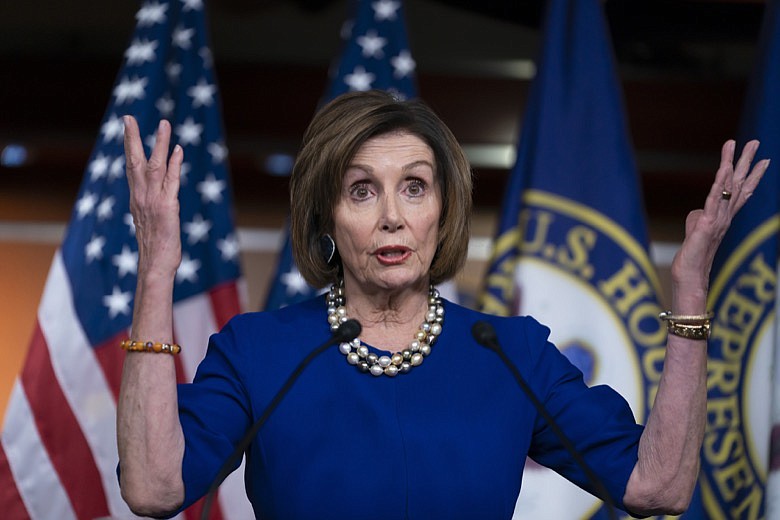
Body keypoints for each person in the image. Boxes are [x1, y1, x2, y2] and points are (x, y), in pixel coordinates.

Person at [117, 90, 769, 519]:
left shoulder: (511, 355)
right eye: (363, 190)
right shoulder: (260, 352)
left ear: (444, 210)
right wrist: (156, 274)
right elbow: (152, 488)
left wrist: (688, 297)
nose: (394, 218)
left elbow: (658, 487)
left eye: (416, 188)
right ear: (326, 216)